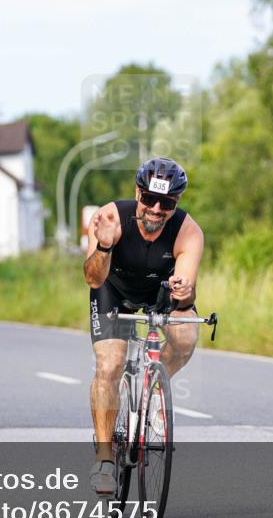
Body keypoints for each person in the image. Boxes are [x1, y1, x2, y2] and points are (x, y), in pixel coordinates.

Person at [83, 157, 204, 495]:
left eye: (166, 203)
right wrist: (105, 244)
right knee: (110, 363)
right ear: (138, 193)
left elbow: (186, 289)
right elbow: (93, 278)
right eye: (149, 198)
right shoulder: (111, 218)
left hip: (161, 291)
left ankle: (153, 395)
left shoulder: (188, 231)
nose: (155, 209)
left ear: (176, 203)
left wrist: (185, 291)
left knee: (186, 335)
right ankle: (105, 456)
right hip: (113, 290)